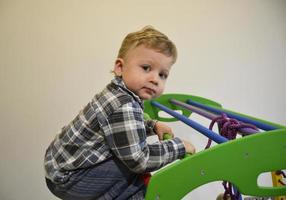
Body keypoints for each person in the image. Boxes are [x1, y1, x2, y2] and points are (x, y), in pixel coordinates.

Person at [44, 25, 196, 200]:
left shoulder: (117, 92)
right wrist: (178, 147)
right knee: (134, 173)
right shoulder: (123, 105)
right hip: (70, 180)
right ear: (119, 67)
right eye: (146, 68)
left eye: (163, 74)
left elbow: (122, 128)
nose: (155, 79)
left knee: (129, 164)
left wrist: (152, 125)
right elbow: (140, 160)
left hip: (60, 167)